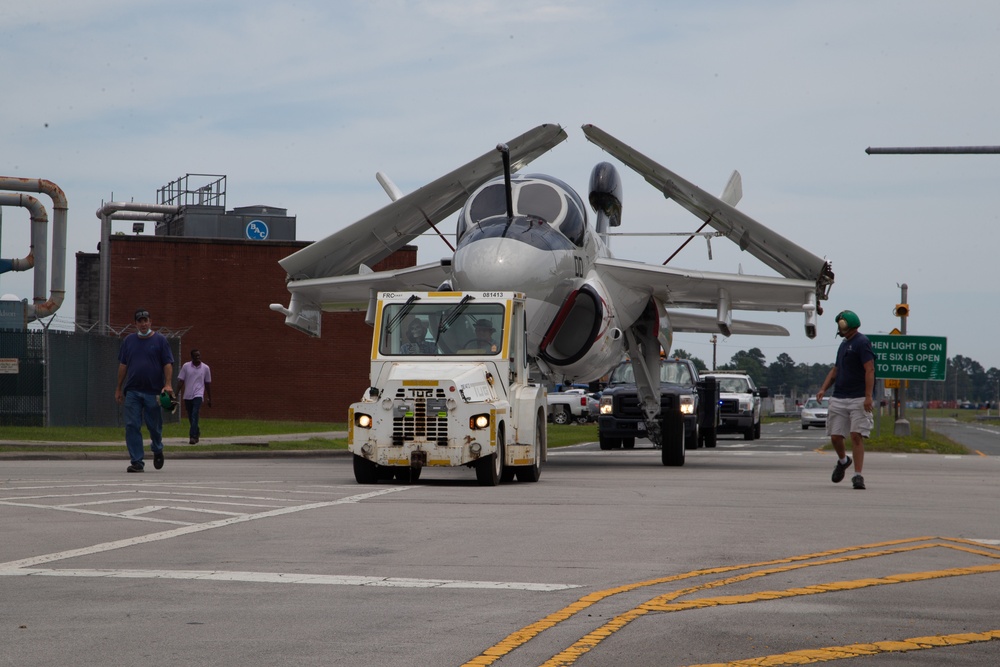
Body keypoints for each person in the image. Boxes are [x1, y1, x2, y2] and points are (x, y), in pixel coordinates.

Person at [816, 310, 875, 490]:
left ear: (846, 326)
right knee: (835, 436)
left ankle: (858, 476)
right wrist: (823, 388)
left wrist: (867, 396)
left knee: (856, 435)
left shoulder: (862, 343)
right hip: (840, 395)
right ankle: (843, 461)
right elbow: (835, 370)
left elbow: (869, 370)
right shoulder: (843, 344)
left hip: (857, 397)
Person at [115, 308, 174, 472]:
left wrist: (168, 384)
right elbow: (123, 365)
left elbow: (167, 363)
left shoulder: (160, 340)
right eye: (139, 321)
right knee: (132, 425)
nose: (143, 324)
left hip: (153, 391)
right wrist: (118, 388)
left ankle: (157, 448)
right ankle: (137, 461)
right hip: (133, 391)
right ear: (135, 323)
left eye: (145, 320)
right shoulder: (128, 341)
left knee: (154, 426)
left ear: (150, 322)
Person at [177, 348, 212, 444]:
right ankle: (197, 432)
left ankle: (192, 436)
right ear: (191, 357)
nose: (198, 357)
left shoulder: (205, 368)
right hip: (187, 395)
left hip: (198, 395)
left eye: (199, 355)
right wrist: (175, 394)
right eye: (195, 356)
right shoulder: (186, 366)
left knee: (194, 414)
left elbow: (207, 383)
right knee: (190, 416)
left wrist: (209, 398)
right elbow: (181, 381)